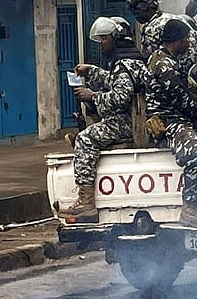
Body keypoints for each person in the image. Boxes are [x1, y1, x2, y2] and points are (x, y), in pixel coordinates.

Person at [59, 17, 148, 222]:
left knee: (85, 139)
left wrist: (92, 97)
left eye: (104, 39)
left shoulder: (123, 65)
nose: (101, 43)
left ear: (115, 38)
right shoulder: (132, 61)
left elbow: (119, 98)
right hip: (134, 120)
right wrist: (91, 71)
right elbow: (113, 81)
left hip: (130, 122)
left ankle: (86, 203)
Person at [145, 19, 197, 227]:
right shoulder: (163, 64)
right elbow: (181, 100)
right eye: (186, 38)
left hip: (179, 117)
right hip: (167, 121)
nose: (189, 42)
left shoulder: (171, 59)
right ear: (178, 40)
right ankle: (190, 209)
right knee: (195, 152)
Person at [127, 0, 197, 72]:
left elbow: (150, 60)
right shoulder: (176, 18)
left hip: (174, 73)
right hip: (193, 70)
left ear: (145, 7)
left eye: (137, 10)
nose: (136, 15)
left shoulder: (152, 29)